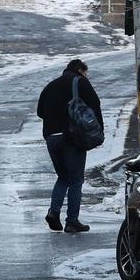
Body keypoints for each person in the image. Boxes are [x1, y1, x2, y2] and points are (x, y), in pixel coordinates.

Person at [36, 58, 101, 234]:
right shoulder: (80, 82)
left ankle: (53, 212)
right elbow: (95, 104)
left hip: (51, 138)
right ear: (80, 70)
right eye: (85, 73)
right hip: (71, 138)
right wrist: (97, 133)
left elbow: (40, 111)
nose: (86, 76)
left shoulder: (50, 85)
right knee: (76, 180)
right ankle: (72, 221)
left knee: (63, 176)